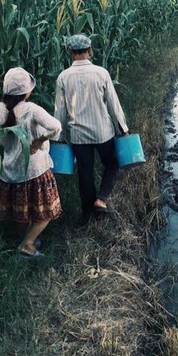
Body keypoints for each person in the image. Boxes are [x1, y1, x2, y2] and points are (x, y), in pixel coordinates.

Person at [54, 34, 129, 224]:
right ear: (90, 51)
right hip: (103, 131)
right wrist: (123, 129)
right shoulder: (101, 73)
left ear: (71, 53)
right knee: (112, 164)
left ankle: (87, 214)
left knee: (85, 174)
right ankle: (101, 200)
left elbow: (60, 110)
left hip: (79, 135)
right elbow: (114, 104)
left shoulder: (63, 77)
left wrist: (60, 136)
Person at [0, 67, 62, 258]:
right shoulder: (31, 109)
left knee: (21, 210)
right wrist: (39, 141)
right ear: (25, 91)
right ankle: (27, 244)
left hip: (9, 169)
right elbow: (56, 127)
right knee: (45, 212)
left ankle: (26, 239)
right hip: (34, 169)